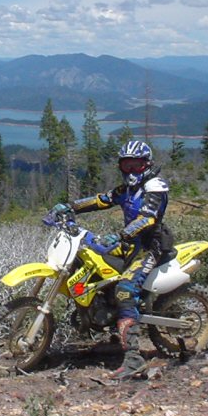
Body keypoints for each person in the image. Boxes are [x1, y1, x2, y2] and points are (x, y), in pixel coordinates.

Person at [50, 139, 174, 379]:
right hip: (130, 245)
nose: (130, 170)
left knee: (125, 290)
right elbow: (102, 199)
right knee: (91, 257)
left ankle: (134, 359)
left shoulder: (155, 187)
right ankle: (100, 315)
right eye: (126, 165)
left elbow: (147, 218)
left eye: (135, 166)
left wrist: (119, 235)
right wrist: (69, 207)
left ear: (146, 165)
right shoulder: (126, 190)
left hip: (151, 246)